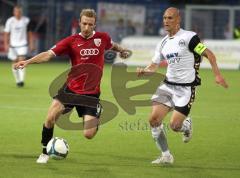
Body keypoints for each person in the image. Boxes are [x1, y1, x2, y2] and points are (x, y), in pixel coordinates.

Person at [14, 9, 132, 164]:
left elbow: (112, 45)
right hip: (70, 89)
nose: (87, 27)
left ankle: (97, 115)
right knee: (50, 118)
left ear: (94, 24)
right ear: (79, 22)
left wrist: (122, 50)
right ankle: (44, 152)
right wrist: (28, 62)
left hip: (91, 95)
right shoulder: (71, 41)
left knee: (88, 135)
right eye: (84, 23)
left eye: (90, 24)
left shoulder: (102, 38)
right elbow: (48, 54)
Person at [137, 7, 228, 164]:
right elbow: (153, 66)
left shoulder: (189, 38)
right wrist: (144, 71)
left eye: (170, 18)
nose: (166, 21)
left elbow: (210, 54)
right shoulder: (162, 43)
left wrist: (218, 75)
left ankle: (185, 125)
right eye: (165, 18)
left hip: (186, 89)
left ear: (178, 20)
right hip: (167, 86)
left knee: (174, 125)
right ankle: (166, 155)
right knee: (153, 119)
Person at [4, 5, 34, 87]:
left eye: (19, 11)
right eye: (16, 11)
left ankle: (21, 80)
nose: (17, 13)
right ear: (14, 12)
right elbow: (6, 33)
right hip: (13, 45)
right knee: (14, 62)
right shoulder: (10, 21)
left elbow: (30, 33)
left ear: (21, 12)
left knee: (21, 60)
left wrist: (31, 44)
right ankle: (17, 80)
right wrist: (6, 44)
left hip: (23, 44)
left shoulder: (26, 20)